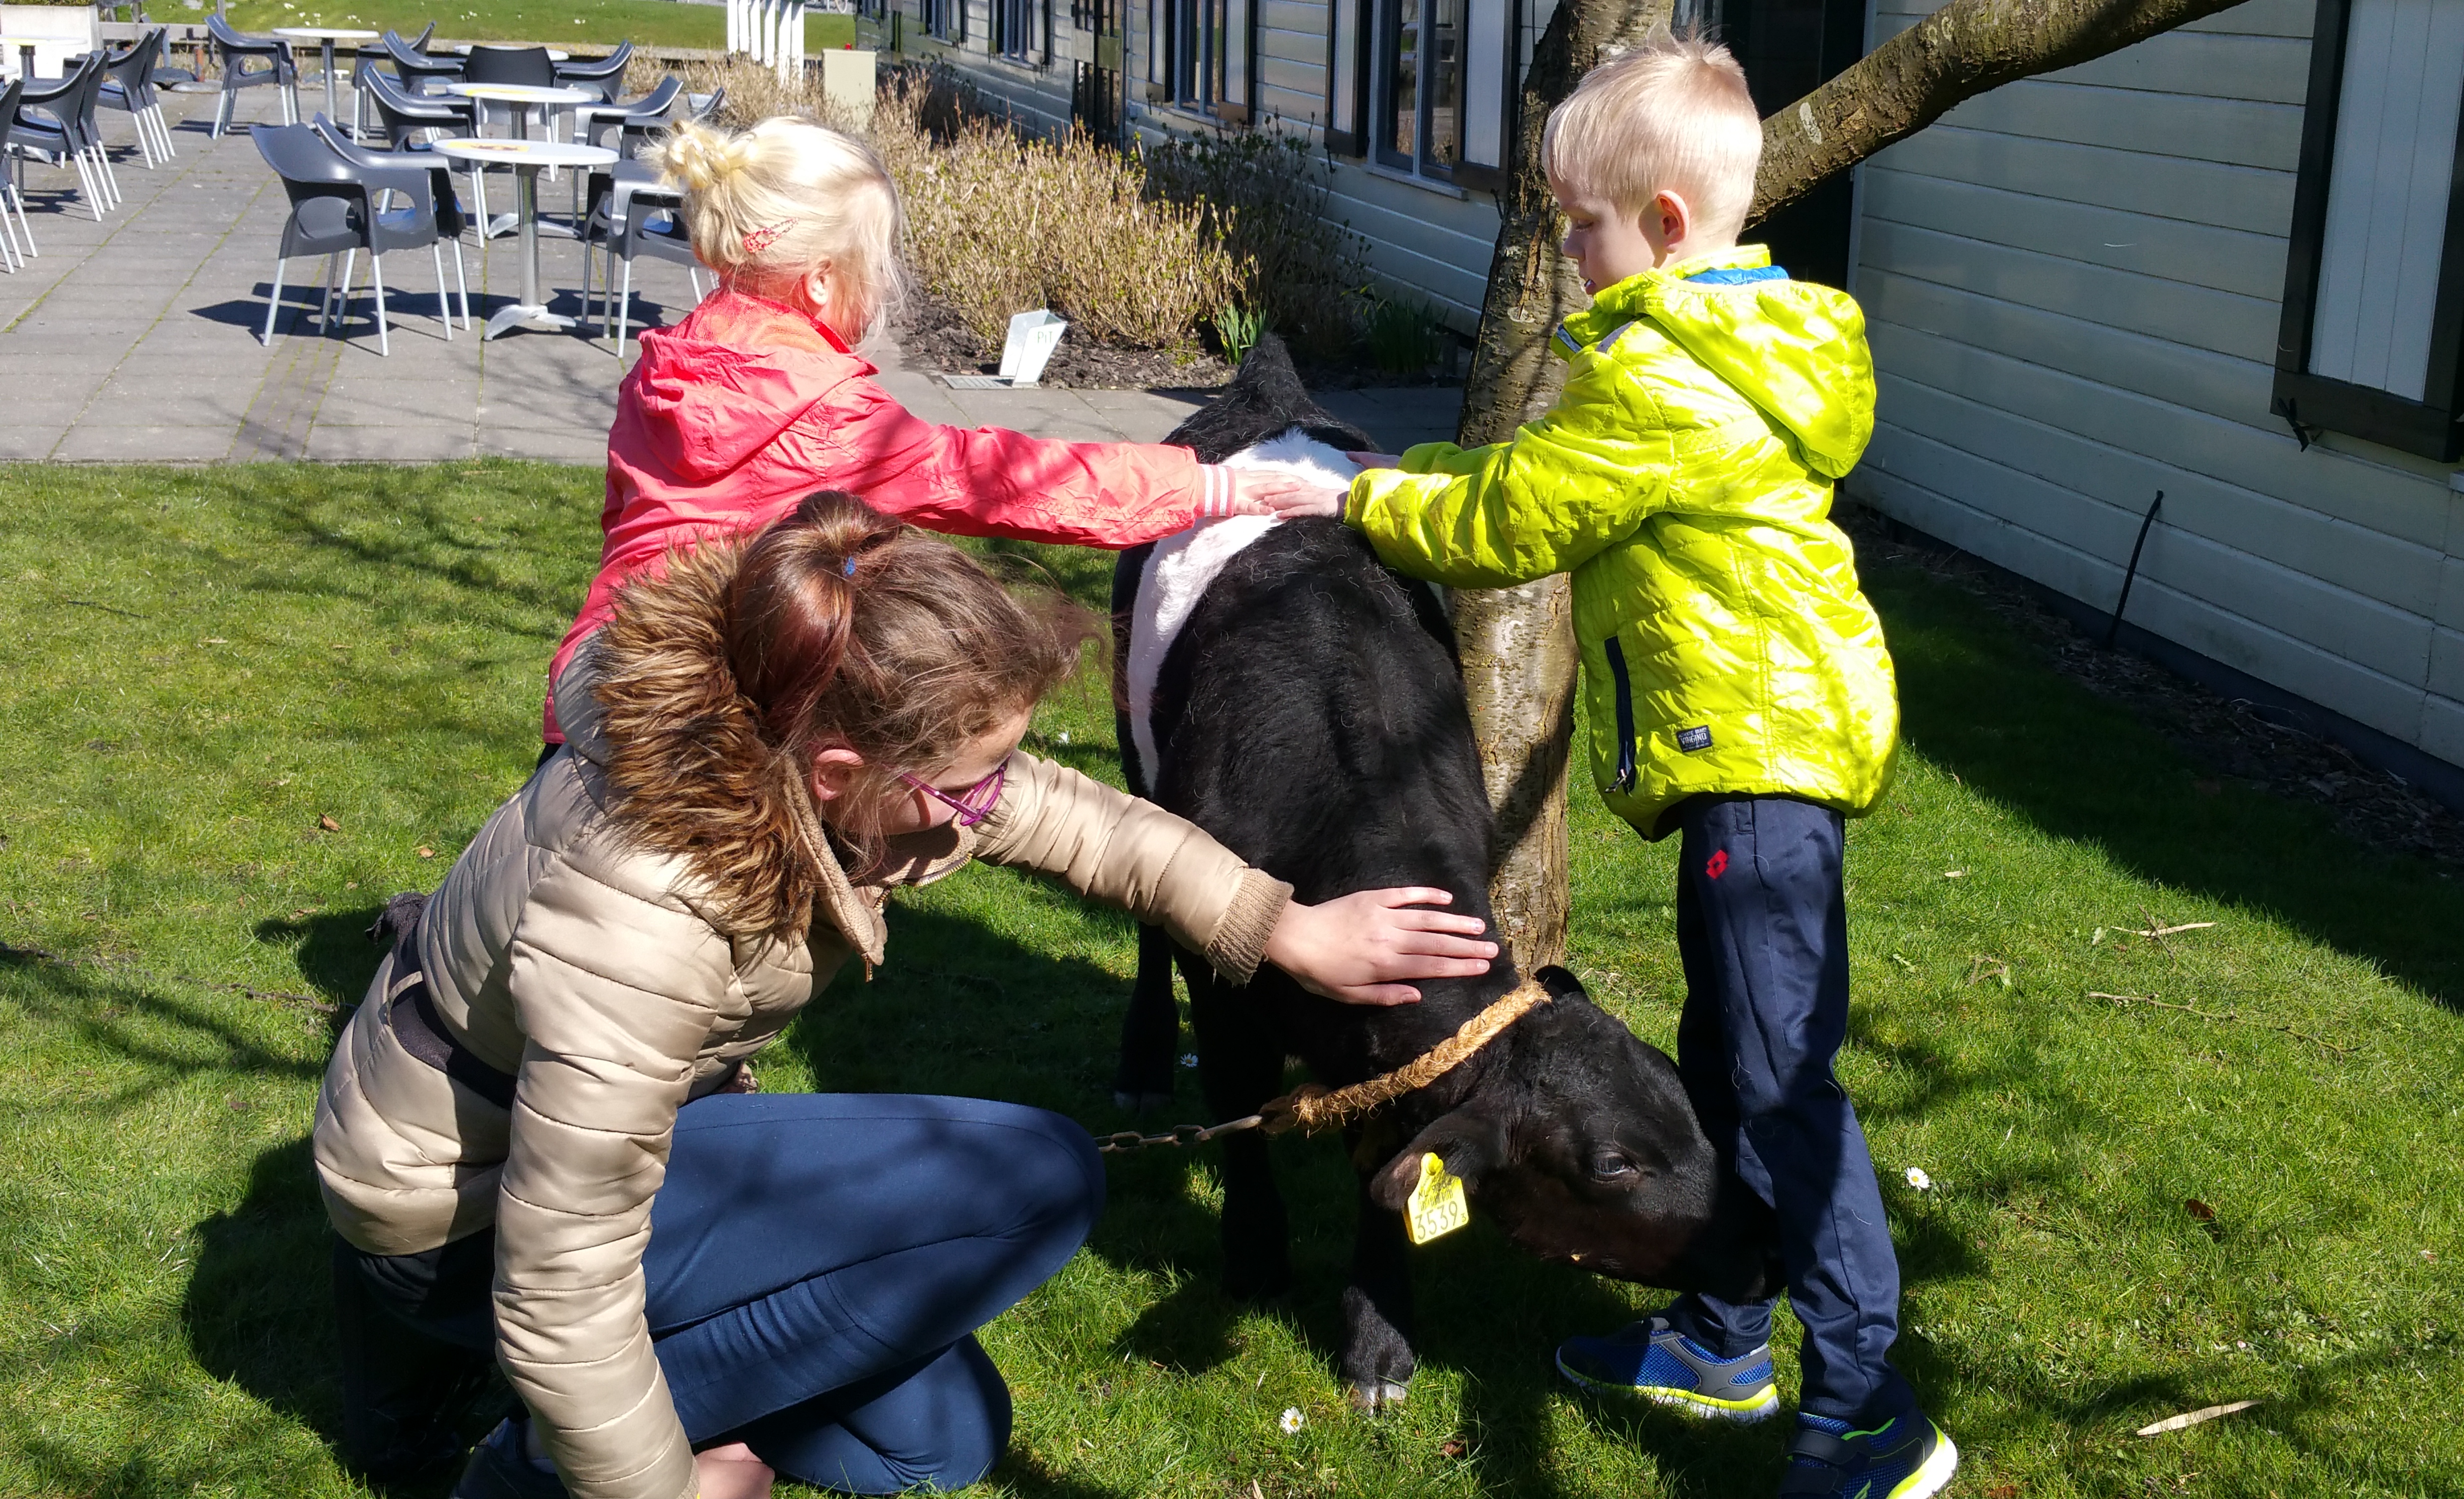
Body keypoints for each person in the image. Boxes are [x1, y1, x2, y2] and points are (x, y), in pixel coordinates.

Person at [314, 493, 1500, 1499]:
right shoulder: (647, 913)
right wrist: (664, 1486)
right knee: (1035, 1178)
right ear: (844, 775)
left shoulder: (798, 736)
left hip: (612, 1135)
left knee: (938, 1447)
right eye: (967, 784)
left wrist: (1282, 926)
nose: (993, 805)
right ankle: (524, 1462)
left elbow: (1062, 810)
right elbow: (561, 1266)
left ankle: (631, 1379)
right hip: (459, 1215)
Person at [1272, 34, 1953, 1499]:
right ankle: (1720, 1337)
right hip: (1761, 766)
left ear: (1659, 227)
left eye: (1578, 222)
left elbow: (1523, 520)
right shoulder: (1732, 347)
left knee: (1783, 1089)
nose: (1566, 249)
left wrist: (1364, 500)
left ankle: (1869, 1402)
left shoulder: (1666, 379)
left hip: (1759, 781)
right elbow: (1529, 478)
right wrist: (1385, 481)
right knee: (1727, 1054)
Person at [543, 114, 1318, 744]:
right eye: (875, 267)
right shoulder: (824, 416)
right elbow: (999, 479)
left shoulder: (666, 367)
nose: (883, 286)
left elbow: (624, 523)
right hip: (693, 711)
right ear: (819, 282)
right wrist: (1204, 481)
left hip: (599, 671)